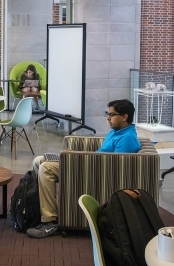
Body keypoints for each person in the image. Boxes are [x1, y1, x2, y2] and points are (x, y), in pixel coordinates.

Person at [27, 99, 141, 238]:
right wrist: (75, 154)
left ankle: (50, 221)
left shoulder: (127, 139)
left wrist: (76, 156)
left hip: (92, 170)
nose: (108, 118)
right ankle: (41, 211)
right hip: (90, 163)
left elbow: (113, 166)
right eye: (108, 114)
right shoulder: (116, 131)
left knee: (46, 168)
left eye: (112, 115)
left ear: (124, 117)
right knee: (39, 160)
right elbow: (101, 154)